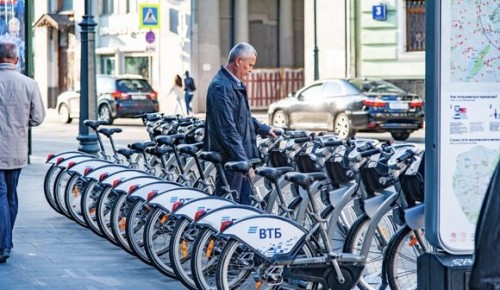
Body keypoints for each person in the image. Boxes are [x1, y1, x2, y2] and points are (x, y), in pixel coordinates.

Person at [204, 42, 277, 205]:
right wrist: (243, 162)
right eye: (250, 65)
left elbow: (242, 117)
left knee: (244, 206)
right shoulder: (221, 87)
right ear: (238, 61)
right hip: (232, 158)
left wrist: (264, 128)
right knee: (228, 208)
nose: (251, 70)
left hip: (237, 156)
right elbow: (228, 129)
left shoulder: (231, 83)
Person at [0, 41, 46, 263]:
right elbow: (37, 118)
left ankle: (4, 244)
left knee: (0, 196)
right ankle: (6, 241)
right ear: (16, 60)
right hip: (16, 150)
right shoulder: (29, 84)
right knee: (10, 195)